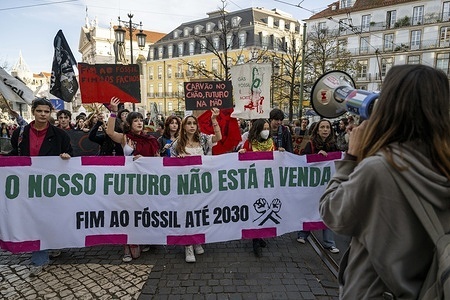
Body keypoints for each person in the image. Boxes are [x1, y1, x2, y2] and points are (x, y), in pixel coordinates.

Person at [319, 64, 450, 299]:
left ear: (390, 106)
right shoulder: (443, 165)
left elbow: (332, 212)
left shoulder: (379, 170)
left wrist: (352, 157)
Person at [8, 97, 73, 276]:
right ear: (33, 111)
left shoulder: (60, 135)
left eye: (46, 111)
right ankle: (40, 256)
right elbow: (16, 153)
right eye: (39, 111)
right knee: (34, 218)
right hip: (28, 184)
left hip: (52, 186)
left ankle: (51, 244)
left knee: (48, 218)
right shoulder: (20, 133)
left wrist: (66, 156)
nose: (43, 115)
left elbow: (70, 154)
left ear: (50, 113)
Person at [106, 97, 160, 262]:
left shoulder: (151, 140)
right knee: (130, 212)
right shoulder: (125, 138)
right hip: (130, 181)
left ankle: (142, 238)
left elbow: (158, 160)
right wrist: (113, 113)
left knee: (144, 210)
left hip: (147, 181)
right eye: (135, 120)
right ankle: (127, 245)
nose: (139, 123)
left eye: (141, 120)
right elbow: (109, 132)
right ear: (129, 124)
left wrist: (145, 160)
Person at [170, 109, 222, 263]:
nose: (192, 126)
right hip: (185, 185)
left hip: (201, 184)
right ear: (184, 127)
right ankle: (188, 246)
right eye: (189, 123)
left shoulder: (204, 139)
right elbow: (170, 167)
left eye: (194, 123)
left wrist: (214, 119)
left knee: (199, 212)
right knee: (187, 214)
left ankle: (197, 239)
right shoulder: (176, 144)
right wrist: (178, 160)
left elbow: (218, 137)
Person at [297, 119, 339, 254]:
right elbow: (303, 161)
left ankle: (329, 243)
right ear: (318, 130)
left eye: (327, 127)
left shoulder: (334, 145)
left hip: (328, 185)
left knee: (328, 210)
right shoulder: (311, 144)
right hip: (313, 185)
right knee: (311, 208)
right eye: (322, 127)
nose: (325, 130)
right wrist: (317, 157)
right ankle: (303, 234)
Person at [238, 119, 275, 257]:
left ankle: (260, 236)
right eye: (264, 128)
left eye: (267, 128)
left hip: (267, 182)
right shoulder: (249, 143)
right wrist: (241, 153)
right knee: (255, 208)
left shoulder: (271, 144)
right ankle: (255, 238)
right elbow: (241, 161)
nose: (266, 131)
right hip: (252, 182)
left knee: (265, 208)